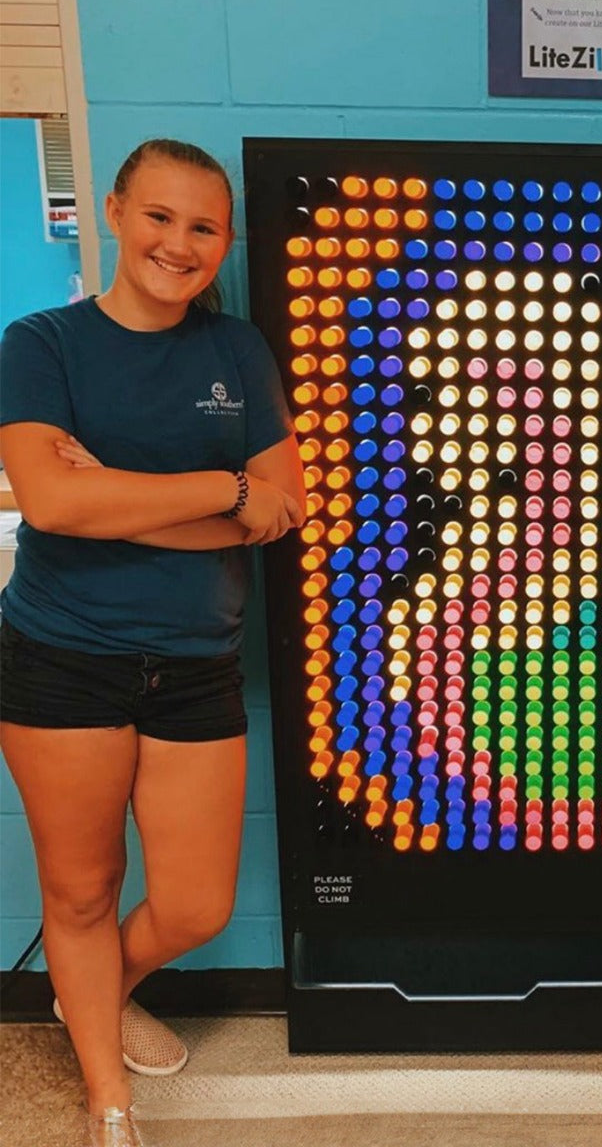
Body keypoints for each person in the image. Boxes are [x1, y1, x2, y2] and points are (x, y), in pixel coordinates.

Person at [0, 139, 304, 1147]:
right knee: (80, 895)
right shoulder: (40, 343)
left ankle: (88, 995)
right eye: (160, 217)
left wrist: (112, 498)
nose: (179, 244)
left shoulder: (236, 353)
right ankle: (108, 1103)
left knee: (193, 906)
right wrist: (219, 493)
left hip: (194, 667)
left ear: (224, 241)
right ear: (118, 212)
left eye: (203, 227)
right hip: (59, 659)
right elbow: (49, 500)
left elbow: (282, 506)